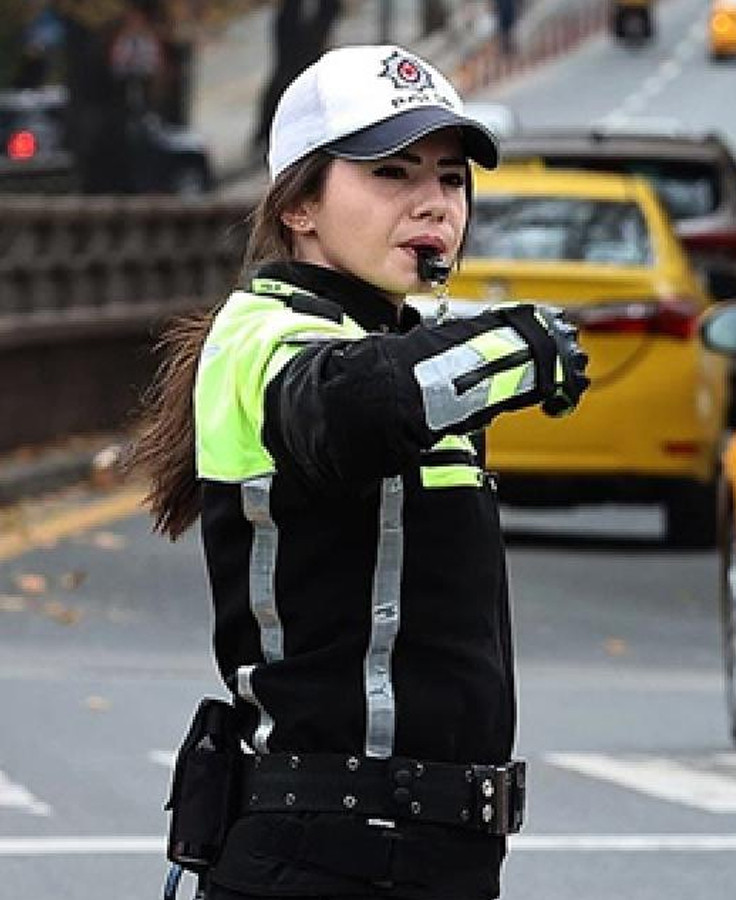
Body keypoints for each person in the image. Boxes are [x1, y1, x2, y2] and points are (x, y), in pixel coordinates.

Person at [130, 44, 589, 900]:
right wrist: (517, 344)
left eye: (451, 180)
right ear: (301, 202)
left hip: (432, 854)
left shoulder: (394, 347)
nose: (433, 204)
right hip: (327, 848)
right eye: (391, 173)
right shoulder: (262, 335)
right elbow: (353, 409)